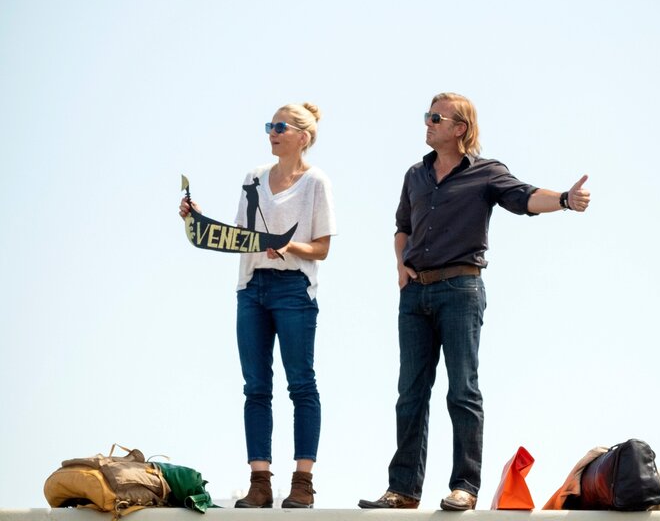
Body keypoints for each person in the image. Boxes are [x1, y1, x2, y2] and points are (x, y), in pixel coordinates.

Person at [358, 92, 590, 511]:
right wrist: (400, 264)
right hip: (415, 294)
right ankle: (403, 490)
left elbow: (524, 197)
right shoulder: (415, 175)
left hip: (460, 291)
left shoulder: (486, 173)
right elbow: (402, 227)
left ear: (459, 128)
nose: (427, 123)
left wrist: (564, 200)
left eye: (436, 118)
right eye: (427, 116)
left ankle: (464, 486)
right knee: (410, 394)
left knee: (462, 390)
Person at [179, 102, 336, 509]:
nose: (272, 133)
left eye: (280, 127)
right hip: (251, 288)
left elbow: (322, 248)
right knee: (255, 388)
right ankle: (260, 483)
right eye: (270, 126)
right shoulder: (253, 178)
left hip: (294, 289)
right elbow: (239, 235)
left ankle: (302, 483)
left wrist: (288, 246)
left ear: (302, 136)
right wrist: (199, 220)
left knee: (301, 384)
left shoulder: (316, 182)